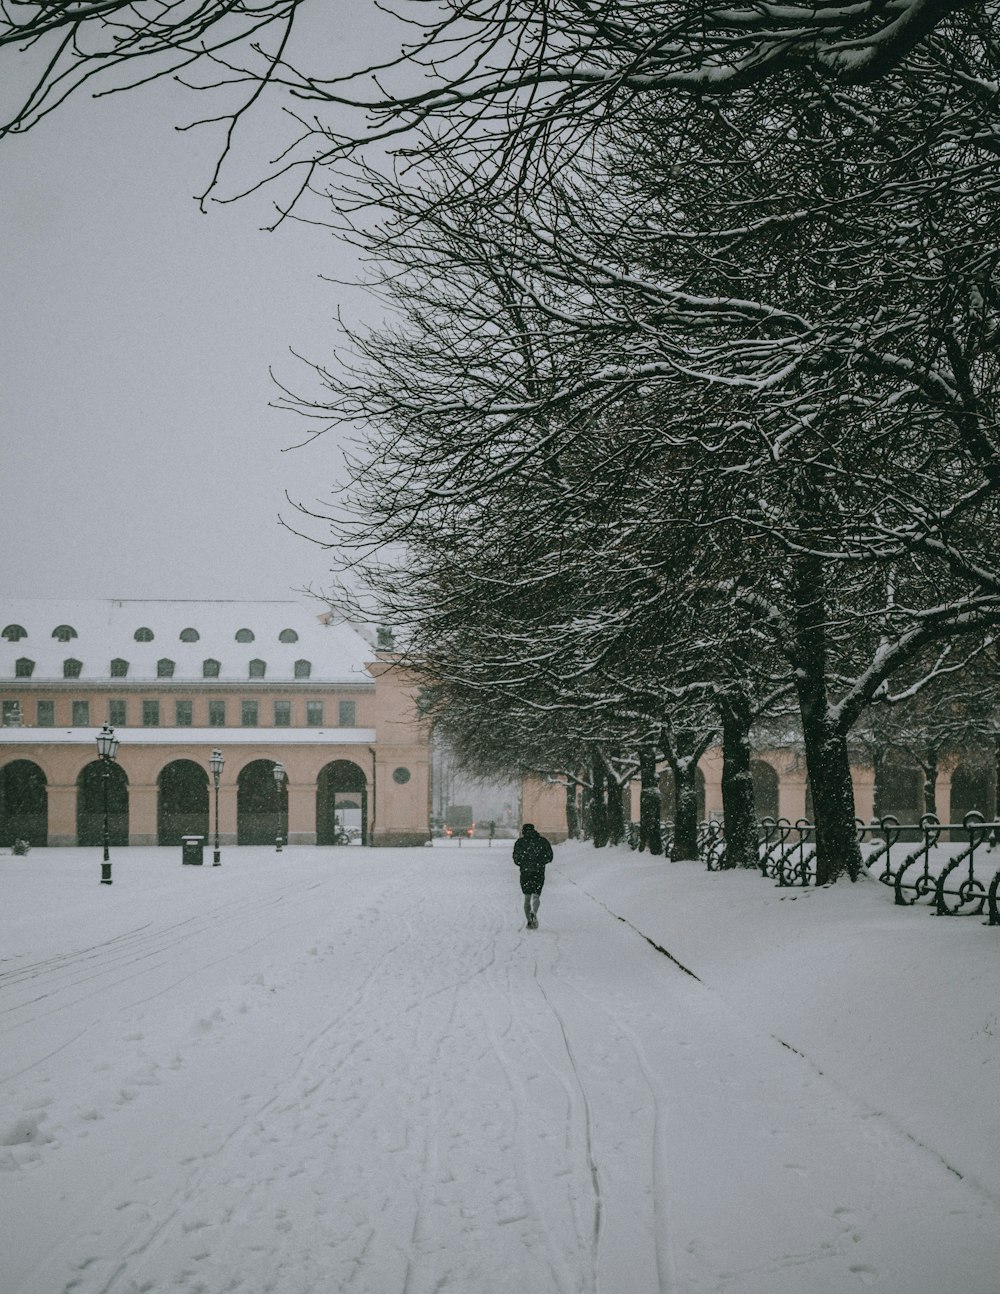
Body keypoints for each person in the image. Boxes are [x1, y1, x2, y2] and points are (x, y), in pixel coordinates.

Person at [513, 823, 553, 929]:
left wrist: (524, 863)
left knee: (527, 897)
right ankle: (534, 911)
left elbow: (516, 858)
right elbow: (550, 856)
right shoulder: (542, 841)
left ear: (523, 831)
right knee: (536, 895)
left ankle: (529, 922)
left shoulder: (520, 842)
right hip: (539, 871)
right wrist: (540, 862)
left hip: (525, 872)